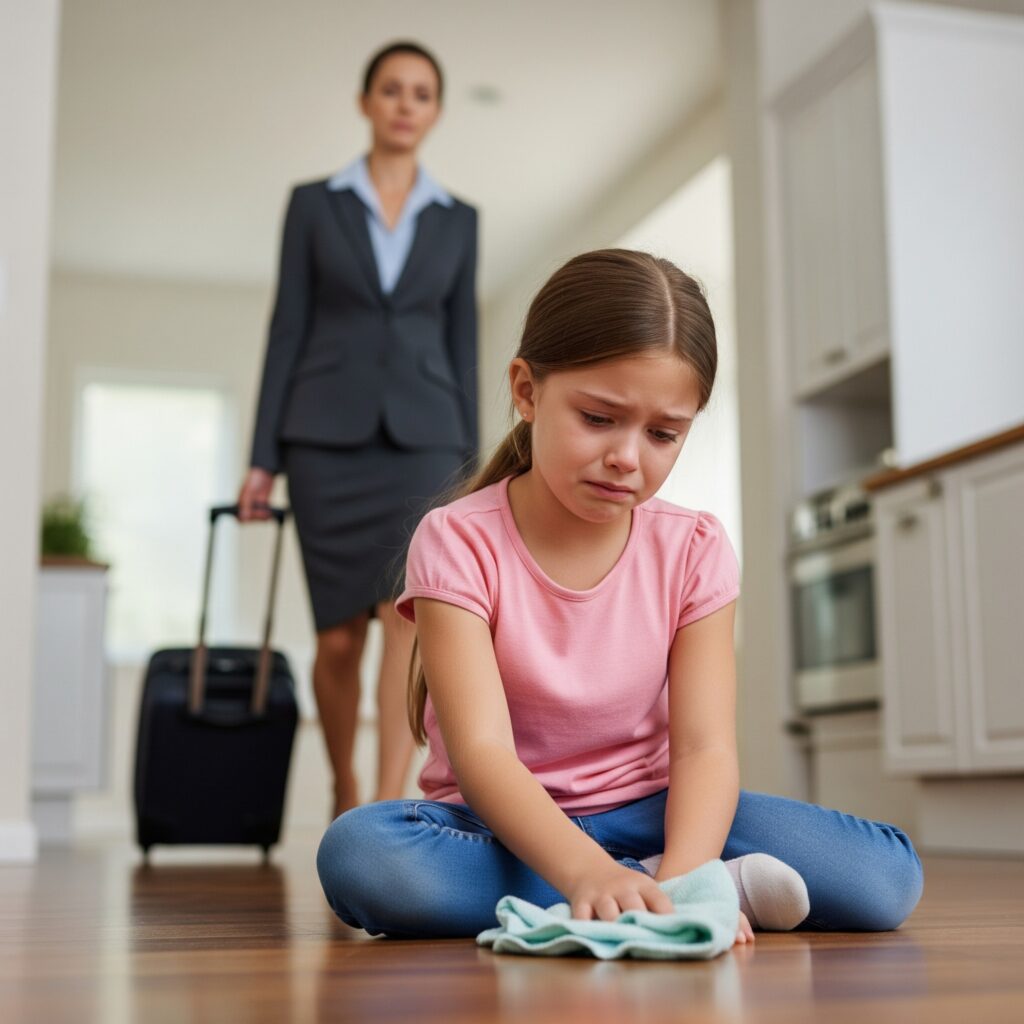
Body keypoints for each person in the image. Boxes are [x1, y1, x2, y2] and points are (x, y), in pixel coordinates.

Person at [315, 249, 923, 940]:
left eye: (664, 433)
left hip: (654, 808)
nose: (628, 457)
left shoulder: (694, 548)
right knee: (362, 856)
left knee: (888, 877)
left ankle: (659, 884)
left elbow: (703, 750)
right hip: (499, 823)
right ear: (526, 390)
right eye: (599, 418)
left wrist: (688, 873)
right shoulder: (456, 539)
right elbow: (483, 754)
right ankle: (637, 887)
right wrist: (583, 869)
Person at [238, 41, 478, 817]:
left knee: (403, 623)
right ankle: (343, 781)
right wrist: (261, 457)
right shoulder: (315, 203)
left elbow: (461, 340)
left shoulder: (458, 219)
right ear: (366, 101)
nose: (406, 104)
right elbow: (287, 328)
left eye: (421, 93)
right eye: (392, 90)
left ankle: (382, 811)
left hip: (425, 441)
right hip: (324, 439)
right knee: (339, 639)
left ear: (435, 111)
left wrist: (475, 466)